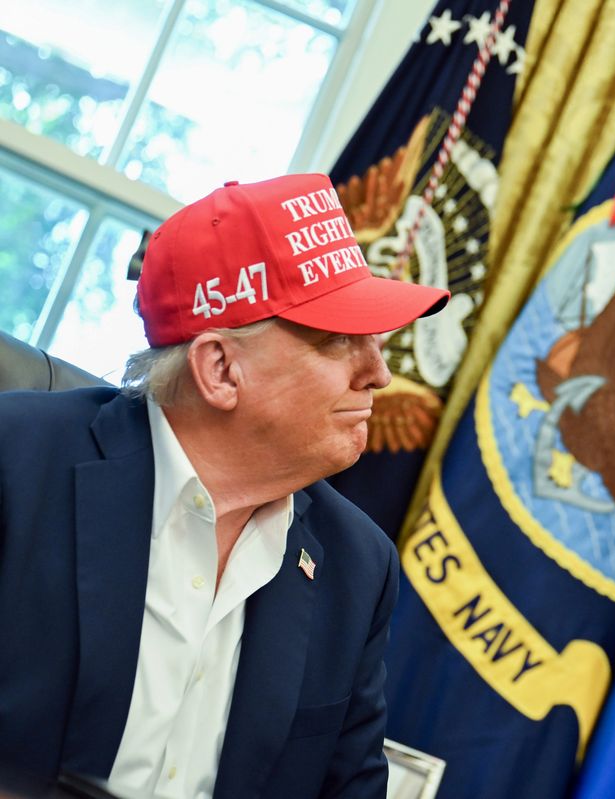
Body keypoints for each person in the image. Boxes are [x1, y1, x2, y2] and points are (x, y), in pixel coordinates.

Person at [0, 174, 449, 798]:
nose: (378, 373)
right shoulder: (17, 461)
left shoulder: (356, 564)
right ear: (219, 368)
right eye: (339, 342)